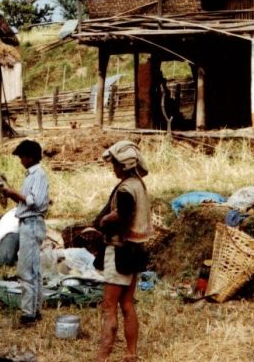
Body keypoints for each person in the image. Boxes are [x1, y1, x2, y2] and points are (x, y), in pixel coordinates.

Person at [95, 141, 153, 362]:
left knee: (109, 307)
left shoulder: (127, 188)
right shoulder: (138, 184)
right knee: (127, 304)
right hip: (135, 250)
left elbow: (124, 212)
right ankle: (131, 354)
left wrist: (105, 219)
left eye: (115, 164)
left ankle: (102, 357)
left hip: (119, 251)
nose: (113, 168)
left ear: (124, 165)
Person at [0, 139, 50, 325]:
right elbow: (25, 203)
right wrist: (10, 193)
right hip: (28, 222)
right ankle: (35, 310)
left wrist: (12, 193)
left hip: (32, 224)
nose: (20, 160)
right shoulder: (31, 176)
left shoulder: (38, 175)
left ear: (30, 157)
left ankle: (28, 314)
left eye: (22, 156)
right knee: (33, 270)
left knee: (26, 270)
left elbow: (34, 202)